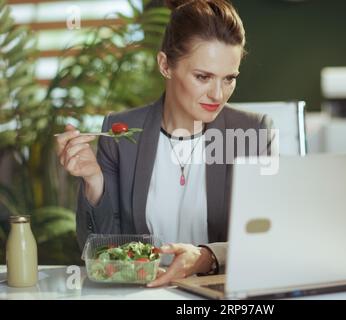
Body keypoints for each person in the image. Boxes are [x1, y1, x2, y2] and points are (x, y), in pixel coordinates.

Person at [56, 0, 274, 287]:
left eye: (229, 79)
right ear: (165, 65)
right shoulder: (119, 134)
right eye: (203, 77)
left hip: (221, 295)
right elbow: (98, 251)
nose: (218, 94)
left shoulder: (253, 133)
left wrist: (205, 256)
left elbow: (268, 239)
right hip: (140, 293)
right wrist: (93, 182)